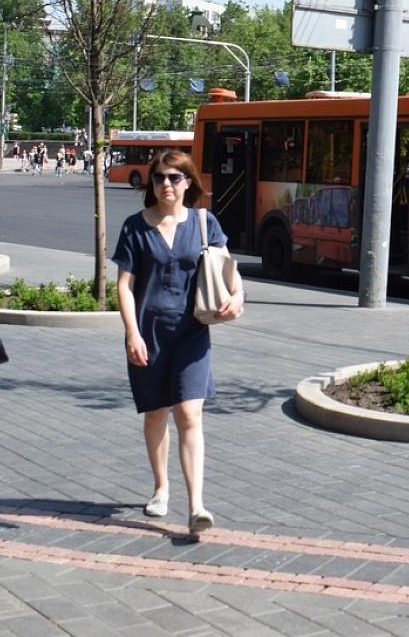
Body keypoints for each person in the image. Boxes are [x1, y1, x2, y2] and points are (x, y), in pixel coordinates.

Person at [112, 151, 243, 537]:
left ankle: (196, 505)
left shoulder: (205, 222)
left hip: (192, 334)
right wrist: (132, 333)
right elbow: (124, 285)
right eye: (157, 178)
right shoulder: (135, 227)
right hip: (149, 333)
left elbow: (229, 271)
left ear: (188, 182)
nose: (165, 184)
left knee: (189, 414)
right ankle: (160, 487)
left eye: (173, 177)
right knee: (156, 412)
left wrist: (238, 298)